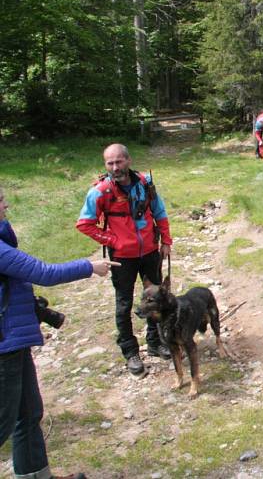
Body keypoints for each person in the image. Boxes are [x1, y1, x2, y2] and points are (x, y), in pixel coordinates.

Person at [1, 186, 118, 479]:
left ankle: (37, 475)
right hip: (4, 348)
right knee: (3, 422)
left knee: (28, 414)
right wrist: (90, 266)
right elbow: (44, 273)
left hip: (14, 343)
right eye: (1, 201)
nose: (7, 206)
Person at [76, 144, 173, 376]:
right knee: (124, 304)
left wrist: (166, 241)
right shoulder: (100, 191)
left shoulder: (145, 183)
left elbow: (159, 212)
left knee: (156, 299)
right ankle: (130, 352)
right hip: (122, 258)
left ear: (128, 160)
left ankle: (155, 342)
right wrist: (112, 240)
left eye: (119, 162)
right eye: (110, 163)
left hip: (150, 251)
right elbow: (84, 224)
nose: (115, 167)